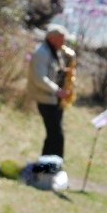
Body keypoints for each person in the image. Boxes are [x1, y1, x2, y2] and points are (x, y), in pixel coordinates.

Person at [27, 24, 76, 162]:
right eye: (62, 39)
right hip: (46, 99)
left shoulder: (54, 52)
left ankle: (44, 165)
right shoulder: (42, 53)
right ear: (53, 38)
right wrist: (57, 91)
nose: (64, 42)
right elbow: (39, 78)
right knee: (57, 135)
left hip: (53, 99)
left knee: (52, 135)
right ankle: (53, 166)